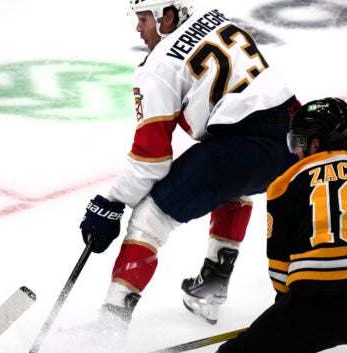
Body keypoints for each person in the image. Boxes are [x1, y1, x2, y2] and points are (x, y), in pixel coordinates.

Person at [135, 98, 347, 353]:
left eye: (299, 142)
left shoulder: (286, 181)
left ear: (316, 143)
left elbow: (281, 272)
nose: (295, 150)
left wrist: (284, 319)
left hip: (312, 305)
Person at [79, 0, 299, 327]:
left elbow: (151, 160)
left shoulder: (158, 67)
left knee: (150, 218)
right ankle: (211, 288)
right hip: (296, 141)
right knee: (235, 183)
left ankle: (110, 325)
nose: (138, 28)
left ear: (167, 16)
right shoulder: (213, 16)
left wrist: (113, 202)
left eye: (144, 19)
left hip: (243, 148)